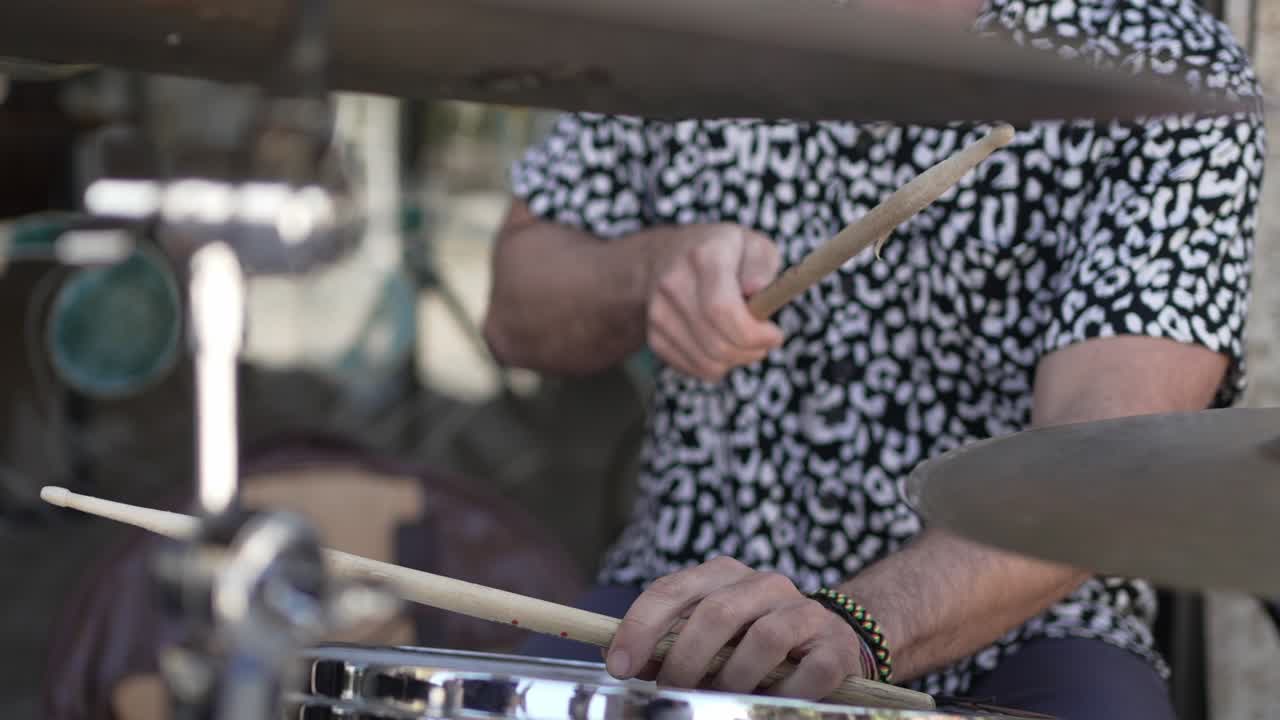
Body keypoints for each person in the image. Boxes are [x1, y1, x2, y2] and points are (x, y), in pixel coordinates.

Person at [480, 0, 1267, 717]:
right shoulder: (691, 21)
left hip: (1034, 628)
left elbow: (1105, 453)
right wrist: (648, 271)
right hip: (687, 584)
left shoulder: (1167, 66)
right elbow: (514, 313)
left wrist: (852, 624)